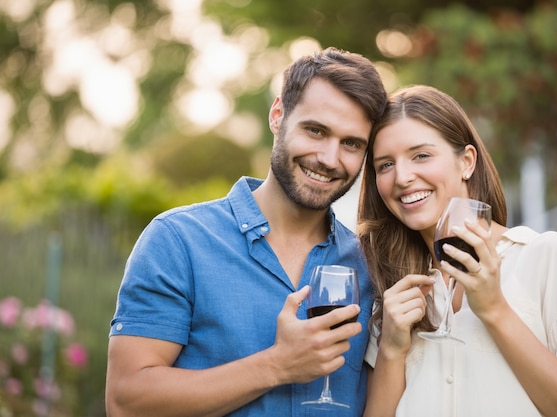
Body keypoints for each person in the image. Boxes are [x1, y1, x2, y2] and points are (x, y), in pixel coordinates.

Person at [105, 47, 388, 417]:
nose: (330, 159)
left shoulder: (371, 265)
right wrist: (276, 365)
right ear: (277, 116)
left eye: (351, 143)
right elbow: (127, 402)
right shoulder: (178, 241)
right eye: (315, 130)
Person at [357, 85, 557, 417]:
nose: (403, 177)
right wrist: (391, 350)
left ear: (466, 162)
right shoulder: (391, 293)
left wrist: (495, 310)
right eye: (384, 165)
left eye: (421, 155)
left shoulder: (549, 258)